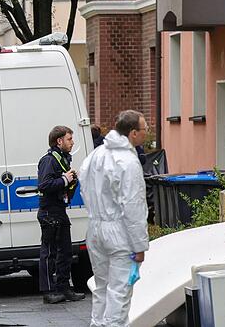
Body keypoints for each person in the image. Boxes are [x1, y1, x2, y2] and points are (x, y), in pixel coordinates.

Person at [79, 110, 149, 327]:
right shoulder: (128, 161)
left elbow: (84, 184)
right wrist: (139, 245)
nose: (146, 132)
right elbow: (133, 206)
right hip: (119, 232)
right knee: (119, 292)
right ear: (133, 133)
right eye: (145, 129)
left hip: (95, 228)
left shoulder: (97, 154)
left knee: (101, 288)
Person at [37, 125, 86, 304]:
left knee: (65, 252)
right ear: (59, 141)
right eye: (69, 139)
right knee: (49, 253)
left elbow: (61, 185)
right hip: (49, 212)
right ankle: (49, 291)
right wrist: (65, 179)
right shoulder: (49, 160)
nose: (72, 143)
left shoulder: (62, 159)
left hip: (59, 211)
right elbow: (44, 185)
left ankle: (64, 288)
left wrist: (71, 180)